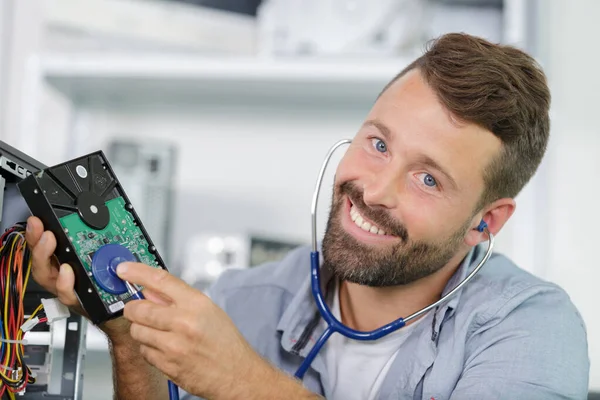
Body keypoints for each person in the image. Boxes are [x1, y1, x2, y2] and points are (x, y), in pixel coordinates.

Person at [25, 32, 589, 400]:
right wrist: (126, 331)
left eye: (427, 179)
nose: (374, 190)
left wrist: (243, 381)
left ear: (485, 222)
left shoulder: (533, 329)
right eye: (378, 143)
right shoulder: (244, 298)